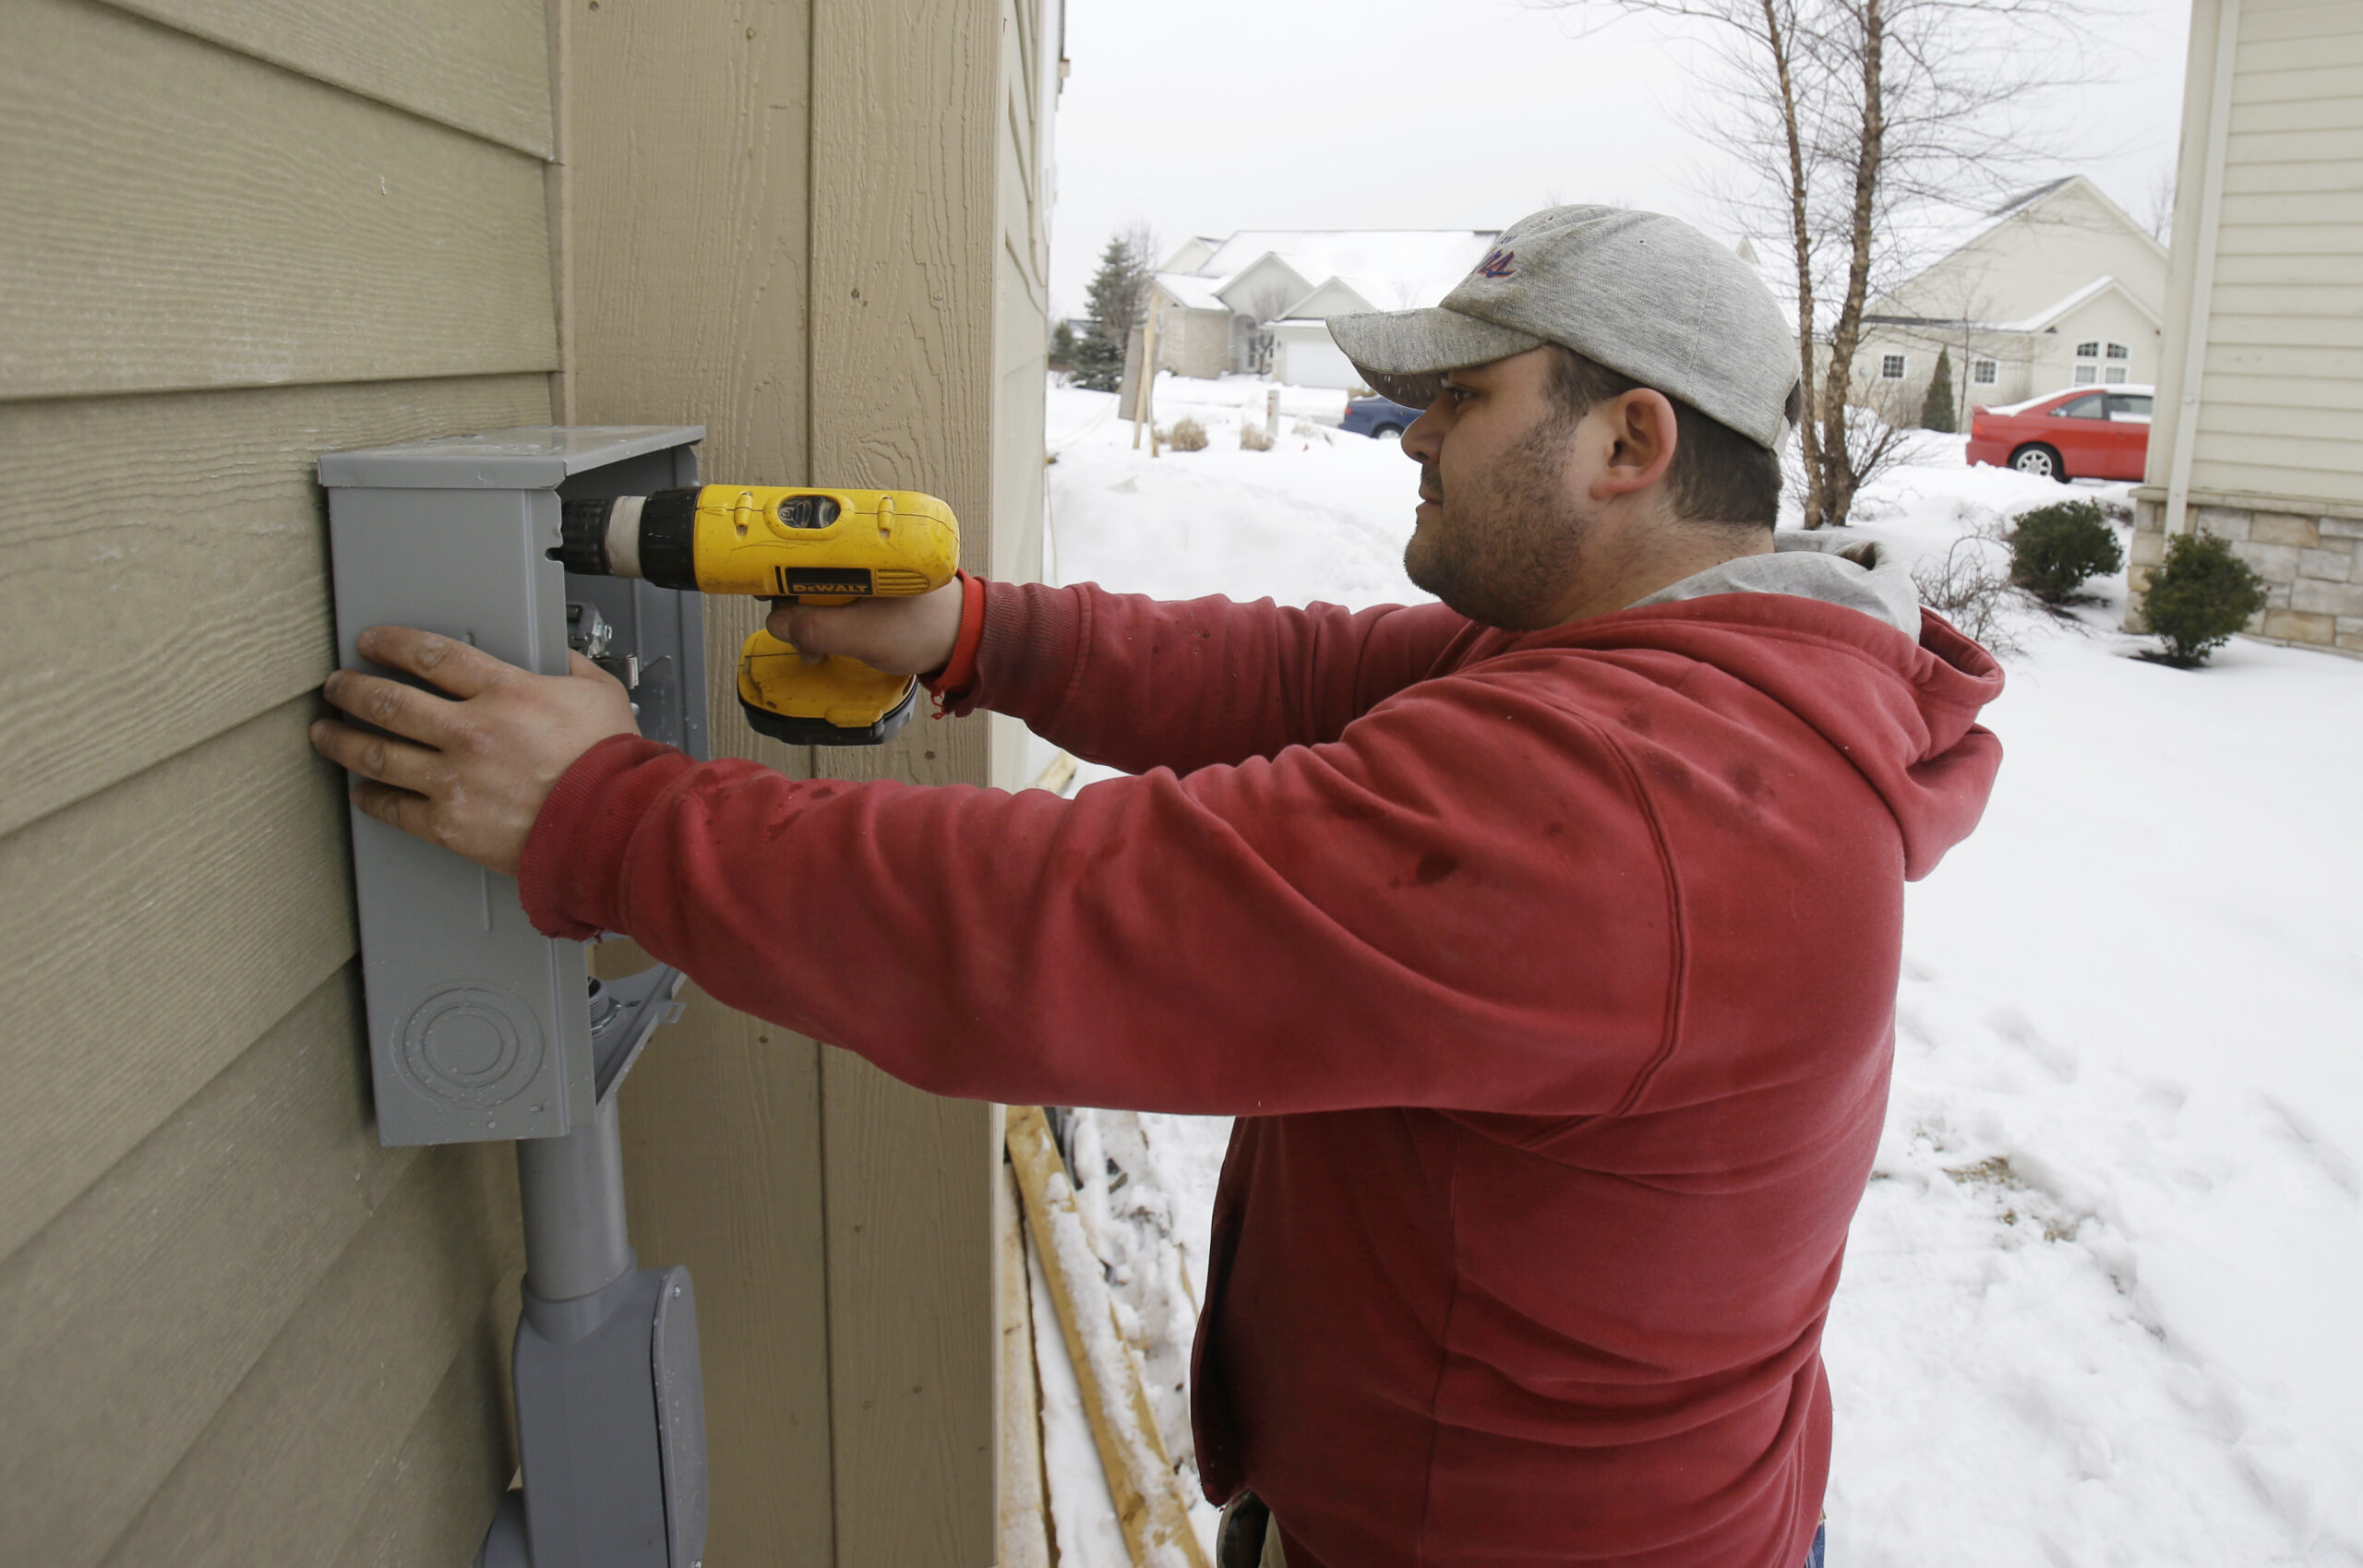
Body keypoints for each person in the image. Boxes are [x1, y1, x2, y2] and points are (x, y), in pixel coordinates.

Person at [310, 206, 2003, 1568]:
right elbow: (1290, 677)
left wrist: (594, 815)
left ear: (1628, 441)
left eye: (1463, 401)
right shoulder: (1660, 676)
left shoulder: (1641, 804)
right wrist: (972, 632)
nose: (1410, 435)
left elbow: (1062, 932)